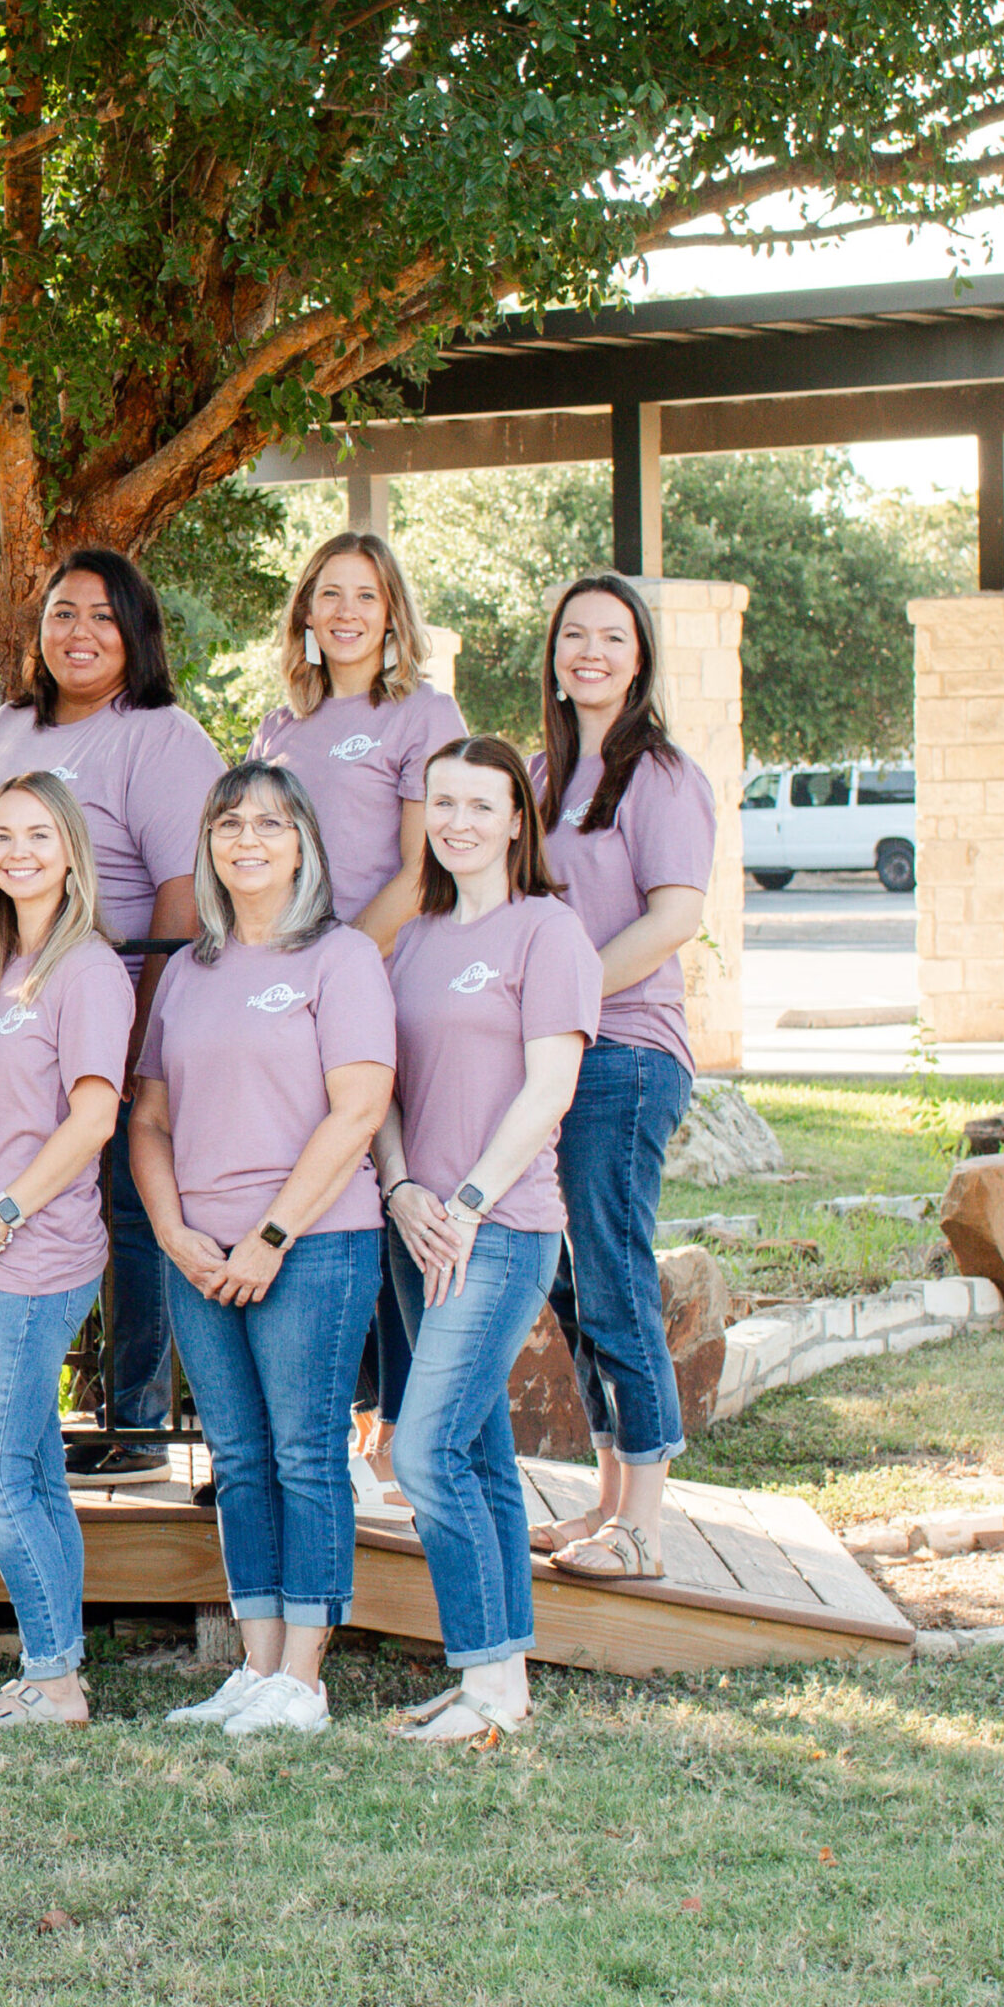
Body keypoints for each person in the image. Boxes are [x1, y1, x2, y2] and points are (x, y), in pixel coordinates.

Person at [130, 762, 394, 1736]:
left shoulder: (340, 959)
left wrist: (270, 1236)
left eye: (271, 825)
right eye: (229, 823)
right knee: (238, 1458)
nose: (248, 840)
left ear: (304, 845)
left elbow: (358, 1108)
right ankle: (256, 1666)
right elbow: (148, 1118)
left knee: (304, 1455)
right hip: (200, 1254)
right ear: (208, 842)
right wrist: (173, 1234)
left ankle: (304, 1682)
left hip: (312, 1247)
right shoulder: (191, 972)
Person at [0, 547, 227, 1486]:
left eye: (103, 618)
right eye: (62, 614)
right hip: (7, 1006)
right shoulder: (2, 728)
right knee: (33, 1194)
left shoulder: (158, 735)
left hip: (106, 1002)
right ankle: (34, 1407)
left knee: (123, 1202)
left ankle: (138, 1419)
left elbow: (181, 894)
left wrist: (136, 1028)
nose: (79, 633)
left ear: (137, 635)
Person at [371, 735, 599, 1743]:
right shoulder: (412, 942)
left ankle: (488, 1679)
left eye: (481, 803)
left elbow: (551, 1087)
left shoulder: (547, 933)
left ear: (518, 819)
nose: (458, 820)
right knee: (478, 1454)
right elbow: (378, 1088)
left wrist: (462, 1201)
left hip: (500, 1232)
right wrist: (400, 1188)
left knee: (421, 1453)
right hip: (421, 1229)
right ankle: (497, 1682)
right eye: (443, 802)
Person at [246, 532, 466, 1493]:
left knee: (401, 1190)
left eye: (364, 596)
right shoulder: (277, 728)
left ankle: (415, 1433)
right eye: (327, 594)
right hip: (296, 995)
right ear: (304, 611)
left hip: (388, 977)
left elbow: (424, 873)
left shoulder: (424, 713)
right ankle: (340, 1425)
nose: (344, 612)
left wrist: (333, 963)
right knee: (326, 1194)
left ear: (392, 613)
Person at [0, 774, 129, 1730]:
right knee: (36, 1474)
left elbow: (93, 1117)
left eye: (38, 834)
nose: (18, 852)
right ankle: (59, 1670)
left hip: (38, 1255)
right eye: (1, 836)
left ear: (71, 848)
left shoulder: (85, 970)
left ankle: (51, 1681)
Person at [525, 574, 715, 1584]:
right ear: (553, 654)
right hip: (545, 1060)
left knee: (610, 1267)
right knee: (567, 1276)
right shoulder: (536, 772)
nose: (590, 652)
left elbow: (674, 919)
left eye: (612, 637)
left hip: (626, 1051)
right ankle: (604, 1501)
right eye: (574, 635)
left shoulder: (663, 777)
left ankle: (642, 1523)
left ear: (639, 658)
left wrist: (566, 998)